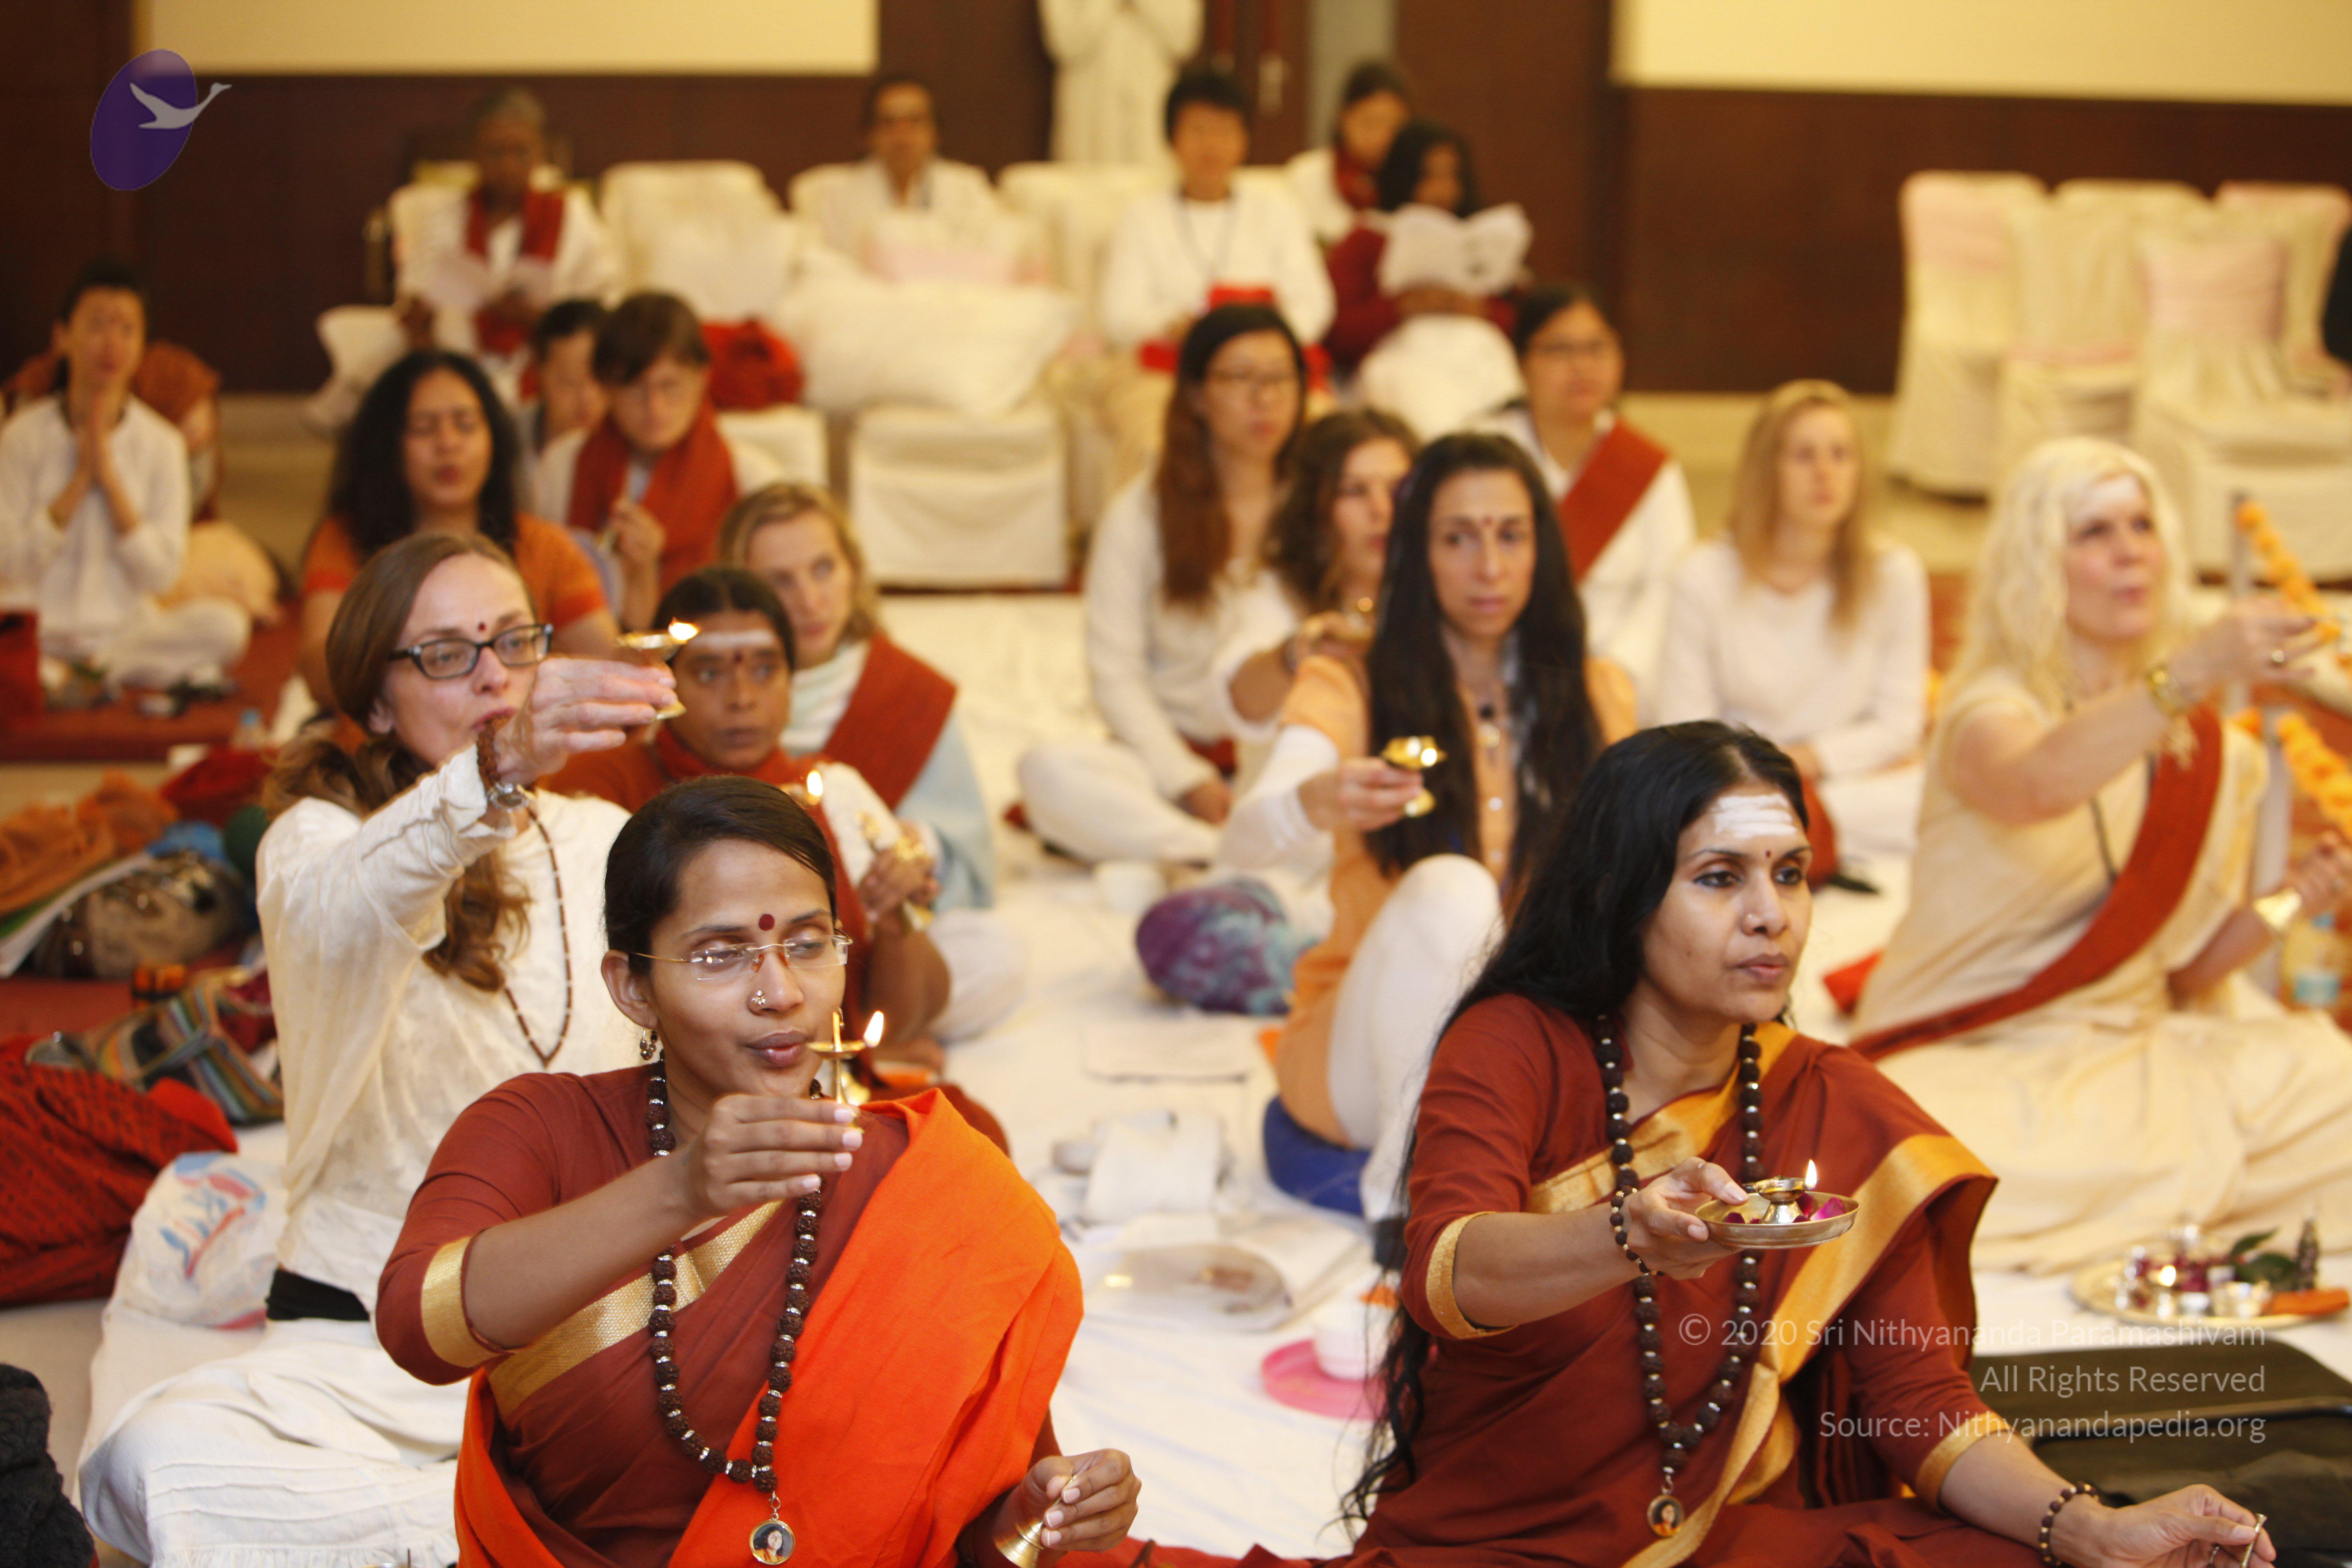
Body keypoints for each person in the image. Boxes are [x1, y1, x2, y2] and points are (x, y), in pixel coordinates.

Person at [1297, 720, 2278, 1568]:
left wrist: (2092, 1528)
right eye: (1719, 877)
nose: (1771, 913)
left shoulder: (1829, 1097)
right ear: (1621, 894)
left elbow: (1912, 1391)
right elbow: (1447, 1270)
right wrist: (1627, 1234)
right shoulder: (1516, 1041)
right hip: (1503, 1540)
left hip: (1727, 1531)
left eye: (1792, 873)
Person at [78, 532, 673, 1566]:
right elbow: (357, 902)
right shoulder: (314, 842)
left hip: (585, 1326)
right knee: (145, 1458)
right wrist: (497, 766)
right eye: (446, 652)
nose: (494, 674)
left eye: (513, 640)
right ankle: (490, 1530)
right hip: (364, 1349)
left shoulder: (603, 835)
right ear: (379, 700)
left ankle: (479, 1525)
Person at [375, 774, 1140, 1564]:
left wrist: (1027, 1518)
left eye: (808, 944)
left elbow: (962, 1535)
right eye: (721, 954)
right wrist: (679, 1190)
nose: (780, 992)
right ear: (633, 987)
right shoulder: (537, 1128)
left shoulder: (932, 1187)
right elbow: (416, 1327)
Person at [1851, 437, 2352, 1273]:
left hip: (2135, 1046)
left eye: (2142, 525)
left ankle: (2171, 1187)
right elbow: (2038, 783)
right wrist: (2191, 668)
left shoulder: (2207, 754)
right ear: (2039, 562)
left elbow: (2187, 976)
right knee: (1907, 1152)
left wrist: (2296, 897)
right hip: (1977, 1048)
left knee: (2332, 1085)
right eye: (2094, 531)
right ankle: (2182, 1192)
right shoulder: (1991, 708)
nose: (2128, 550)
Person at [1223, 433, 1633, 1218]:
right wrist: (1313, 799)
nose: (1489, 566)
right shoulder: (1350, 675)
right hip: (1362, 1065)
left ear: (1540, 549)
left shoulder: (1593, 690)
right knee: (1452, 889)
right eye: (1457, 538)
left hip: (1522, 1047)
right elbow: (1241, 839)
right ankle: (1407, 1199)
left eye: (1510, 535)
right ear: (1416, 551)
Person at [544, 566, 1020, 1068]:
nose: (742, 699)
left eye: (765, 670)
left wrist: (897, 919)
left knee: (998, 949)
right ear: (665, 682)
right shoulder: (607, 789)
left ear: (794, 685)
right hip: (668, 1066)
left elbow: (897, 1015)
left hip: (819, 1059)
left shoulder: (832, 792)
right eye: (709, 673)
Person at [1135, 410, 1416, 1017]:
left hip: (1406, 874)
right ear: (1316, 509)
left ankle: (1361, 974)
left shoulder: (1449, 596)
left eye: (1397, 489)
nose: (1380, 509)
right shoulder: (1276, 596)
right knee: (1174, 933)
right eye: (1354, 491)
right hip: (1288, 877)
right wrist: (1300, 653)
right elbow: (1233, 702)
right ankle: (1355, 973)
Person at [1019, 305, 1305, 867]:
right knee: (1048, 771)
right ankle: (1220, 852)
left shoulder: (1322, 508)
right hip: (1168, 765)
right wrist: (1186, 778)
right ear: (1197, 395)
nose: (1263, 398)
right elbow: (1115, 673)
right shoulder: (1142, 513)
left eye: (1279, 378)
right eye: (1240, 378)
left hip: (1288, 754)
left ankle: (1205, 847)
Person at [1654, 381, 1930, 864]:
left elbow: (1899, 723)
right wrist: (1765, 773)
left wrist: (1809, 763)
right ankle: (1803, 842)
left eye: (1841, 454)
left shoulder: (1895, 573)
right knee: (1679, 800)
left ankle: (1782, 843)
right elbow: (1685, 726)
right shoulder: (1702, 574)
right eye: (1804, 455)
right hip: (1731, 783)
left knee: (1934, 791)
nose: (1825, 473)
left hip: (1847, 781)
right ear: (1767, 469)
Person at [719, 483, 995, 913]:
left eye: (824, 569)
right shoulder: (715, 699)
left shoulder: (910, 692)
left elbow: (970, 861)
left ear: (854, 568)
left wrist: (917, 849)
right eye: (780, 581)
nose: (810, 601)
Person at [300, 348, 618, 705]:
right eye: (423, 428)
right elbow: (322, 671)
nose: (448, 444)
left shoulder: (543, 545)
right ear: (387, 444)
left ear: (494, 439)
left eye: (466, 425)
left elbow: (609, 665)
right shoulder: (349, 538)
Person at [0, 260, 249, 691]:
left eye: (127, 329)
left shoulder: (162, 443)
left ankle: (83, 675)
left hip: (124, 631)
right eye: (97, 325)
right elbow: (10, 562)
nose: (111, 343)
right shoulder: (22, 436)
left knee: (227, 626)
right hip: (34, 625)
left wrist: (109, 480)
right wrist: (79, 479)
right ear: (62, 337)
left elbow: (162, 576)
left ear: (142, 347)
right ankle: (75, 674)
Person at [309, 88, 617, 425]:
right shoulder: (446, 216)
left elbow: (601, 301)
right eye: (495, 153)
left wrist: (538, 317)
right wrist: (426, 343)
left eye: (521, 152)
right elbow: (414, 296)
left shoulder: (573, 216)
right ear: (474, 155)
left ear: (541, 153)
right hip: (457, 353)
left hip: (541, 353)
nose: (508, 166)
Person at [1096, 67, 1333, 487]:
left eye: (1225, 131)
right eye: (1199, 130)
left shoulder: (1278, 210)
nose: (1212, 145)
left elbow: (1314, 305)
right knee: (1155, 443)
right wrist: (1179, 327)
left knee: (1325, 441)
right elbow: (1118, 317)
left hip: (1267, 371)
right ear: (1172, 140)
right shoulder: (1140, 217)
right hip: (1170, 370)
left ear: (1244, 140)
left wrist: (1258, 340)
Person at [1474, 284, 1695, 708]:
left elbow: (1668, 585)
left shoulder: (1648, 466)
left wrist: (1617, 672)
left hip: (1621, 681)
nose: (1582, 366)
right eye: (1560, 350)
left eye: (1597, 349)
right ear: (1522, 362)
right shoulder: (1483, 453)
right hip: (1499, 674)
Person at [537, 291, 784, 629]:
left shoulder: (751, 474)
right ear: (607, 386)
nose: (654, 408)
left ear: (702, 378)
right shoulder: (564, 463)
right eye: (636, 388)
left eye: (670, 387)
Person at [1322, 120, 1516, 376]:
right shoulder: (1367, 238)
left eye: (1453, 176)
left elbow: (1523, 323)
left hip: (1478, 367)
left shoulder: (1480, 238)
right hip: (1399, 371)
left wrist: (1480, 311)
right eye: (1430, 176)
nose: (1443, 190)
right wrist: (1402, 307)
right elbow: (1337, 335)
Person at [802, 75, 1007, 268]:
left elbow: (983, 257)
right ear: (869, 134)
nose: (902, 134)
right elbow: (830, 263)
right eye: (889, 122)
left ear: (936, 132)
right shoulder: (834, 192)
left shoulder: (968, 187)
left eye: (915, 120)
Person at [1040, 0, 1202, 163]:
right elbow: (1066, 44)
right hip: (1090, 112)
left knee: (1153, 179)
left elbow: (1183, 43)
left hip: (1151, 105)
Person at [1284, 61, 1413, 248]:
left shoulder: (1415, 178)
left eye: (1393, 126)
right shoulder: (1307, 173)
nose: (1382, 137)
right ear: (1343, 119)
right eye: (1370, 123)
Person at [515, 297, 608, 491]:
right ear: (538, 374)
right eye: (569, 382)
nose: (587, 397)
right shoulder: (508, 436)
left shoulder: (628, 452)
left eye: (600, 379)